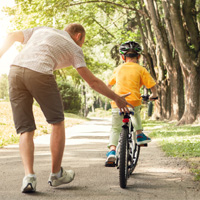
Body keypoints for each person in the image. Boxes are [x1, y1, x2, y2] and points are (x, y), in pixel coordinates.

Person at [0, 23, 132, 193]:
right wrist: (116, 98)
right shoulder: (74, 47)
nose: (82, 45)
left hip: (15, 71)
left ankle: (29, 177)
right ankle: (56, 175)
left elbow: (11, 36)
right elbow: (92, 81)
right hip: (40, 72)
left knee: (25, 129)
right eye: (83, 41)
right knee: (57, 122)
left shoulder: (42, 30)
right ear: (78, 36)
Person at [105, 41, 158, 166]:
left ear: (123, 57)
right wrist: (153, 95)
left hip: (117, 102)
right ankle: (139, 135)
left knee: (115, 128)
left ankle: (112, 151)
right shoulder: (141, 69)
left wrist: (111, 96)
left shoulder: (118, 69)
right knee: (136, 114)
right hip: (133, 101)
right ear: (138, 57)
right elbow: (152, 85)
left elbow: (108, 85)